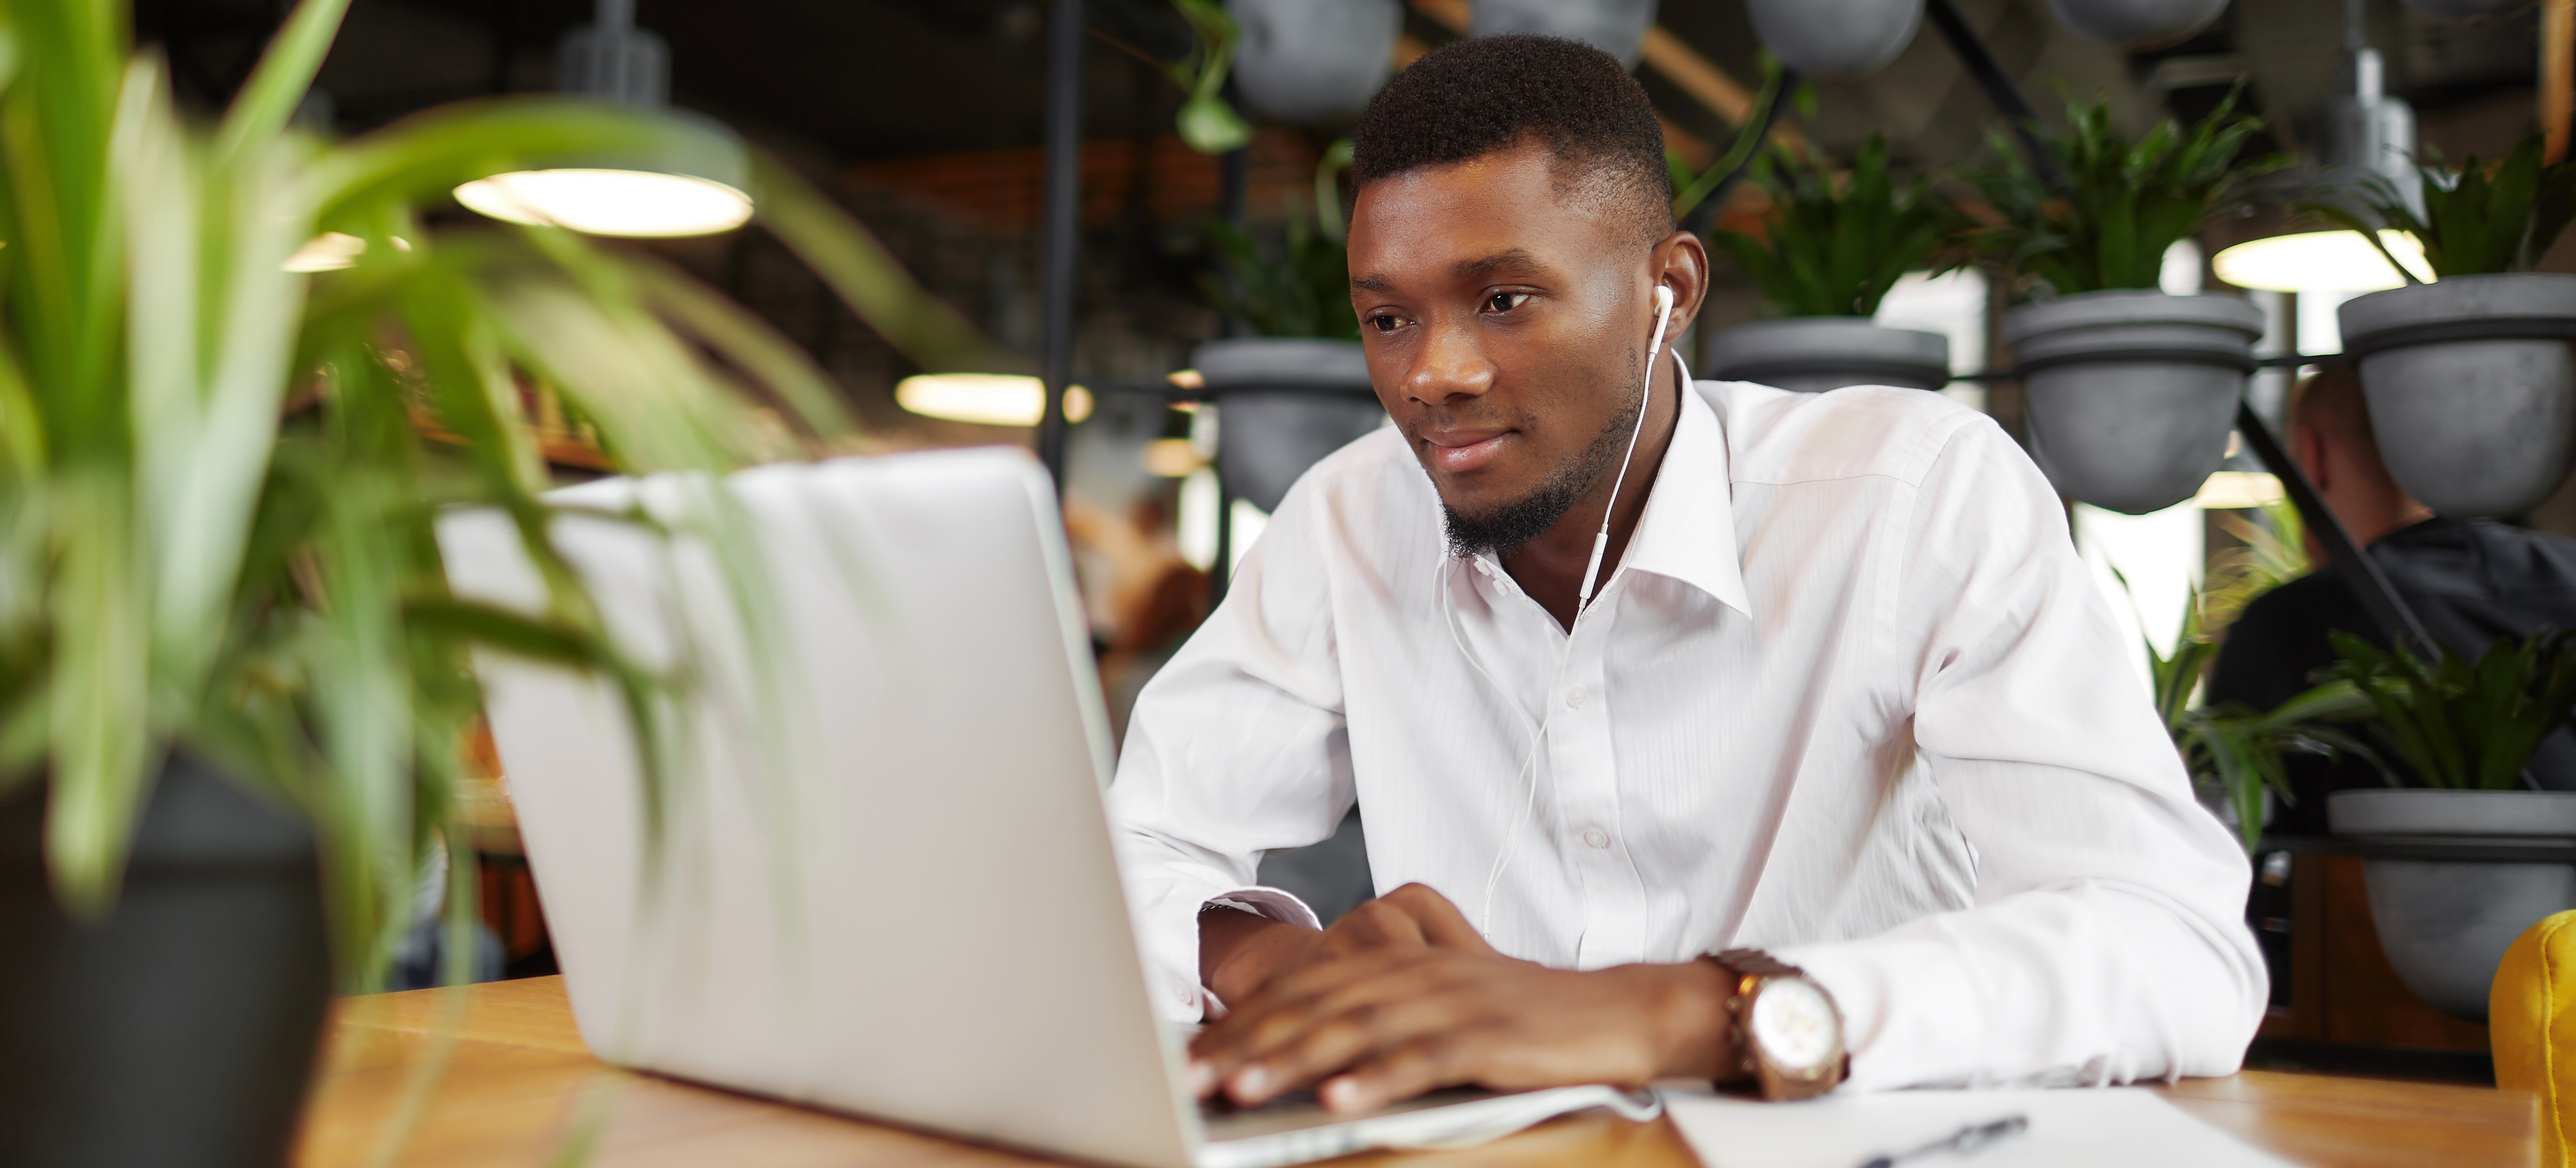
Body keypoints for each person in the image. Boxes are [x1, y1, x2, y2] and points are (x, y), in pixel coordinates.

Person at [1109, 34, 2260, 1113]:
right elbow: (1128, 850)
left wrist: (1670, 1011)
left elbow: (2172, 946)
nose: (1432, 374)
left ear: (1669, 291)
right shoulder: (1348, 520)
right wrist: (1272, 966)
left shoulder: (1910, 499)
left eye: (1501, 300)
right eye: (1385, 318)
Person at [2210, 365, 2576, 835]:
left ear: (2311, 454)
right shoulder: (2564, 573)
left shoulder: (2290, 623)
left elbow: (2225, 830)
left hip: (2369, 910)